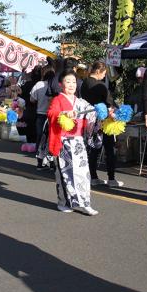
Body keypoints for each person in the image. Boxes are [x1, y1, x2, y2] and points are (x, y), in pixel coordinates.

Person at [47, 69, 100, 216]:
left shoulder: (81, 102)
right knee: (65, 174)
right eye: (67, 82)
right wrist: (63, 114)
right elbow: (51, 113)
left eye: (74, 82)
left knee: (83, 173)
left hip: (78, 142)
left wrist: (105, 113)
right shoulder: (57, 100)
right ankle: (63, 202)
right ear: (60, 84)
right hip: (63, 141)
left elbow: (92, 113)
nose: (71, 85)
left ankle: (85, 203)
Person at [81, 61, 123, 187]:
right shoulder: (100, 85)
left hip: (90, 119)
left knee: (93, 148)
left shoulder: (84, 83)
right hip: (104, 120)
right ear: (99, 71)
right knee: (110, 148)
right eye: (104, 73)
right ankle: (111, 179)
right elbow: (109, 103)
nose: (104, 76)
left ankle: (93, 177)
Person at [31, 70, 56, 170]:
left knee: (40, 138)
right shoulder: (56, 86)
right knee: (52, 139)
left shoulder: (39, 84)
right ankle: (51, 163)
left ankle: (40, 162)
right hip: (53, 116)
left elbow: (32, 99)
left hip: (41, 114)